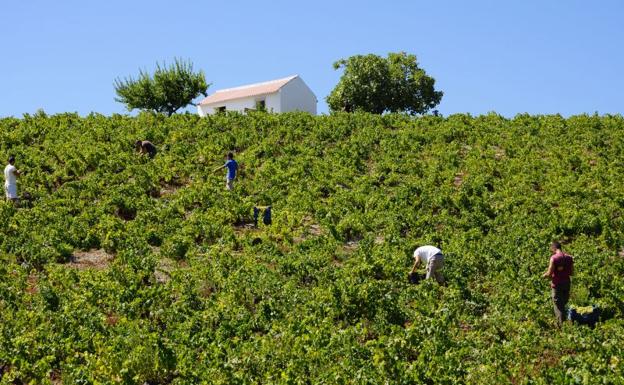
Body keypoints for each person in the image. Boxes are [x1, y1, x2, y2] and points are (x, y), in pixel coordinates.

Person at [543, 241, 574, 326]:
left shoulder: (554, 258)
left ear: (554, 248)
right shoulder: (569, 257)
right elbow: (572, 273)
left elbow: (549, 273)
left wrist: (544, 275)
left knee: (558, 306)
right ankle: (566, 320)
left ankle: (561, 326)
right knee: (563, 303)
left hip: (557, 285)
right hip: (567, 283)